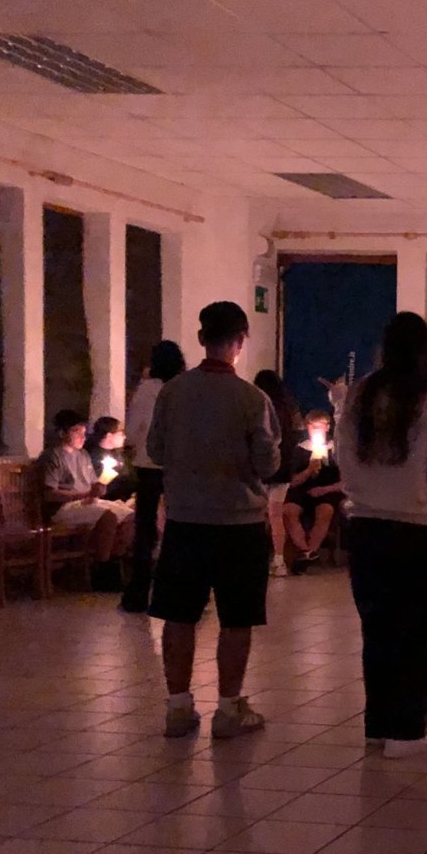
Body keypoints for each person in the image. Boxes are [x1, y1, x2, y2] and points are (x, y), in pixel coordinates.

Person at [337, 313, 427, 757]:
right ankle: (406, 730)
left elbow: (344, 459)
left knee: (377, 628)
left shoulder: (361, 395)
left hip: (366, 525)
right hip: (421, 528)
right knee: (418, 631)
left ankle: (377, 725)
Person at [148, 301, 279, 741]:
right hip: (239, 525)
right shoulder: (251, 398)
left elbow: (156, 450)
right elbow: (267, 463)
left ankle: (178, 706)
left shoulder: (173, 392)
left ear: (201, 338)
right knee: (236, 619)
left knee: (179, 615)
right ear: (241, 341)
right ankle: (227, 708)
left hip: (185, 520)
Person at [120, 340, 186, 613]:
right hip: (178, 466)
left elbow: (133, 429)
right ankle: (179, 590)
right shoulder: (183, 388)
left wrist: (132, 445)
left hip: (147, 465)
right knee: (179, 526)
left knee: (145, 529)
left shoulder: (147, 389)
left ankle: (138, 593)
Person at [39, 409, 135, 584]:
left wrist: (99, 488)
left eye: (84, 431)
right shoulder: (53, 456)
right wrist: (85, 494)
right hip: (62, 508)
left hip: (86, 502)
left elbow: (92, 484)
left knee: (130, 515)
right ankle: (101, 568)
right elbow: (49, 494)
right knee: (108, 516)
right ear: (62, 433)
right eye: (77, 431)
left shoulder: (83, 454)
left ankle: (114, 560)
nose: (83, 436)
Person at [253, 370, 303, 579]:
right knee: (275, 515)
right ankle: (279, 560)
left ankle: (257, 557)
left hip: (262, 466)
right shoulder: (290, 408)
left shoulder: (260, 405)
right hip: (284, 468)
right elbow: (297, 435)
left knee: (257, 514)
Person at [281, 411, 345, 567]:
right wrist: (309, 470)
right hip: (302, 491)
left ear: (327, 427)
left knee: (325, 510)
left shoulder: (336, 449)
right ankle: (307, 551)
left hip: (326, 491)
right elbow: (292, 482)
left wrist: (325, 489)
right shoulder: (300, 449)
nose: (317, 430)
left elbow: (345, 481)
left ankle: (309, 551)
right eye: (313, 426)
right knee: (289, 511)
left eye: (320, 426)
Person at [86, 416, 137, 502]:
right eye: (121, 433)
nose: (124, 437)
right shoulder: (94, 458)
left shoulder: (119, 454)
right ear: (109, 436)